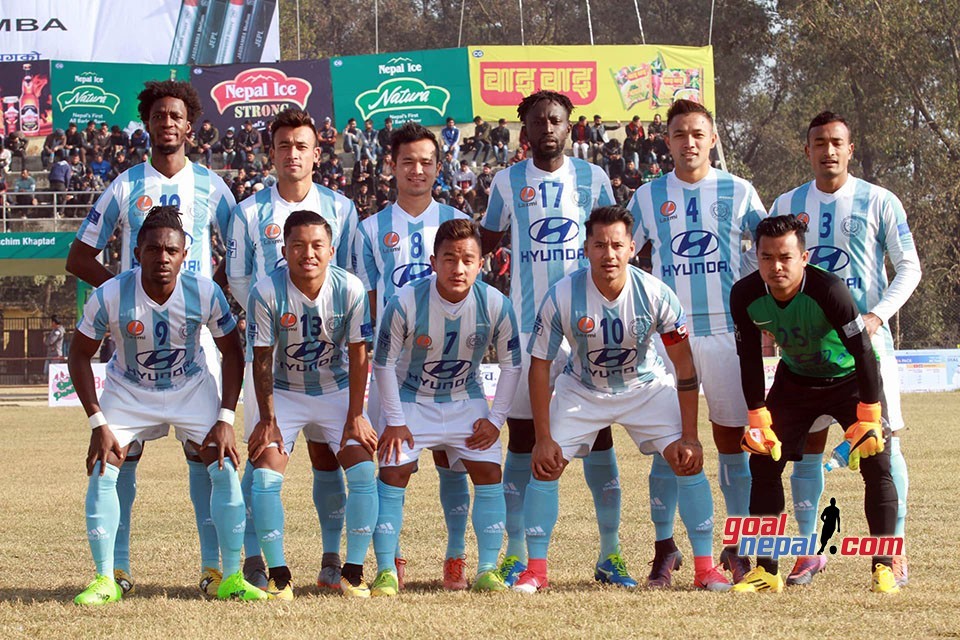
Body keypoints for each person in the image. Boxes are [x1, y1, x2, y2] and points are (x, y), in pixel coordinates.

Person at [65, 80, 237, 598]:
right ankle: (115, 570)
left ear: (191, 126)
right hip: (135, 341)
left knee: (207, 457)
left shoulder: (214, 188)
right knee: (123, 457)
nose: (167, 123)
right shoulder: (123, 186)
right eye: (159, 115)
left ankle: (214, 569)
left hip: (198, 339)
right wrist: (129, 296)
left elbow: (243, 260)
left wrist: (203, 297)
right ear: (149, 123)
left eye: (176, 116)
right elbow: (78, 258)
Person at [513, 205, 730, 594]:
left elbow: (684, 367)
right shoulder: (562, 294)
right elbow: (540, 366)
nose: (608, 254)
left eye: (616, 245)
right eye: (599, 245)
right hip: (582, 389)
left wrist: (690, 434)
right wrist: (542, 437)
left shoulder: (656, 293)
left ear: (632, 248)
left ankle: (705, 568)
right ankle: (536, 571)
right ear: (586, 248)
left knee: (688, 460)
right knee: (546, 466)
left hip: (644, 388)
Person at [68, 205, 266, 605]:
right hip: (128, 389)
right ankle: (106, 578)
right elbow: (78, 356)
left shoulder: (205, 292)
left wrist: (226, 418)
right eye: (154, 249)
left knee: (223, 462)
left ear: (184, 253)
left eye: (171, 251)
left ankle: (228, 576)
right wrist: (97, 423)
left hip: (190, 388)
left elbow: (233, 353)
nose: (162, 258)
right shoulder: (110, 294)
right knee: (105, 466)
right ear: (137, 251)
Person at [479, 90, 626, 588]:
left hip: (586, 330)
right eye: (538, 121)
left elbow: (613, 245)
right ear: (525, 131)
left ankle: (610, 555)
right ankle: (517, 556)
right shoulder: (506, 181)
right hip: (526, 328)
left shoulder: (593, 179)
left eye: (556, 121)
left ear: (569, 127)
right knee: (523, 439)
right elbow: (488, 242)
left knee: (599, 434)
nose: (547, 128)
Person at [769, 111, 920, 588]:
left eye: (837, 142)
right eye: (819, 143)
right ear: (807, 149)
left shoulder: (880, 201)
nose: (828, 151)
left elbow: (908, 267)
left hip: (865, 350)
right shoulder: (788, 202)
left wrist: (876, 315)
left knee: (882, 444)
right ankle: (809, 550)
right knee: (806, 448)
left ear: (850, 149)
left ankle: (889, 554)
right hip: (804, 355)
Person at [626, 99, 766, 586]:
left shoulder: (739, 190)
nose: (689, 142)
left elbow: (768, 252)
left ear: (711, 139)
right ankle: (665, 548)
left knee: (732, 442)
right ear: (667, 141)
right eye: (679, 134)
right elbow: (623, 257)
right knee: (670, 444)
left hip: (727, 333)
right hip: (667, 339)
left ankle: (739, 544)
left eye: (697, 134)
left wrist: (751, 295)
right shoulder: (646, 197)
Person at [729, 214, 899, 594]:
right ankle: (767, 571)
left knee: (877, 463)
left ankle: (883, 567)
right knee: (763, 461)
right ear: (756, 257)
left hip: (850, 380)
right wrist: (757, 415)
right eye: (767, 257)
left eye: (786, 257)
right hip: (796, 381)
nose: (777, 266)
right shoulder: (744, 294)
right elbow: (748, 357)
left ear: (803, 258)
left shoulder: (829, 289)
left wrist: (870, 415)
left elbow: (864, 352)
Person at [226, 107, 359, 590]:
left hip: (328, 363)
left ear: (317, 153)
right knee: (264, 453)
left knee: (327, 458)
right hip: (269, 357)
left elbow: (347, 278)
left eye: (302, 146)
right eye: (284, 146)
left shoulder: (342, 209)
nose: (292, 154)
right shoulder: (247, 212)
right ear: (271, 153)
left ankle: (330, 558)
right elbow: (239, 278)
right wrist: (280, 318)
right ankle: (255, 560)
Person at [371, 219, 522, 595]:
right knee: (393, 473)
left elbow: (512, 365)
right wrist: (394, 420)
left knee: (488, 472)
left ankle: (483, 568)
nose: (458, 268)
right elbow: (383, 364)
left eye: (467, 259)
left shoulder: (495, 304)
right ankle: (388, 567)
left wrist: (495, 419)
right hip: (411, 400)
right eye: (450, 259)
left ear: (481, 263)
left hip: (464, 400)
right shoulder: (405, 301)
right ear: (434, 262)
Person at [353, 122, 472, 590]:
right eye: (408, 161)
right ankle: (391, 560)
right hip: (394, 368)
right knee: (392, 466)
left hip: (452, 364)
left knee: (454, 462)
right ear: (392, 166)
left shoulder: (458, 222)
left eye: (426, 161)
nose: (417, 170)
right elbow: (365, 303)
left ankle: (456, 558)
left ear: (439, 167)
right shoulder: (370, 230)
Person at [246, 210, 377, 599]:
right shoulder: (266, 291)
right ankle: (278, 574)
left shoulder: (350, 289)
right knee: (266, 475)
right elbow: (262, 359)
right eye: (298, 245)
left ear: (331, 249)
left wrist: (356, 415)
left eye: (317, 245)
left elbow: (359, 356)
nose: (309, 253)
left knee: (363, 470)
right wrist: (267, 418)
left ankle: (350, 571)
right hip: (283, 393)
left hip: (335, 391)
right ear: (284, 250)